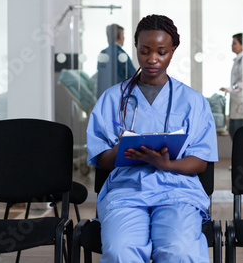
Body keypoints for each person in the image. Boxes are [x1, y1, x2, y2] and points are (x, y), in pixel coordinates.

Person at [86, 14, 218, 262]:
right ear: (135, 46)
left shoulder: (193, 101)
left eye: (161, 52)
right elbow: (101, 159)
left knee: (179, 251)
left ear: (173, 51)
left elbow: (201, 160)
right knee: (120, 251)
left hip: (177, 191)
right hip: (126, 191)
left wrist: (167, 165)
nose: (152, 59)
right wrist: (124, 147)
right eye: (145, 51)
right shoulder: (113, 99)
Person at [96, 23, 137, 98]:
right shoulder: (121, 54)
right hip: (119, 96)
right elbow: (133, 75)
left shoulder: (103, 53)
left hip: (104, 96)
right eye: (123, 35)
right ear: (120, 36)